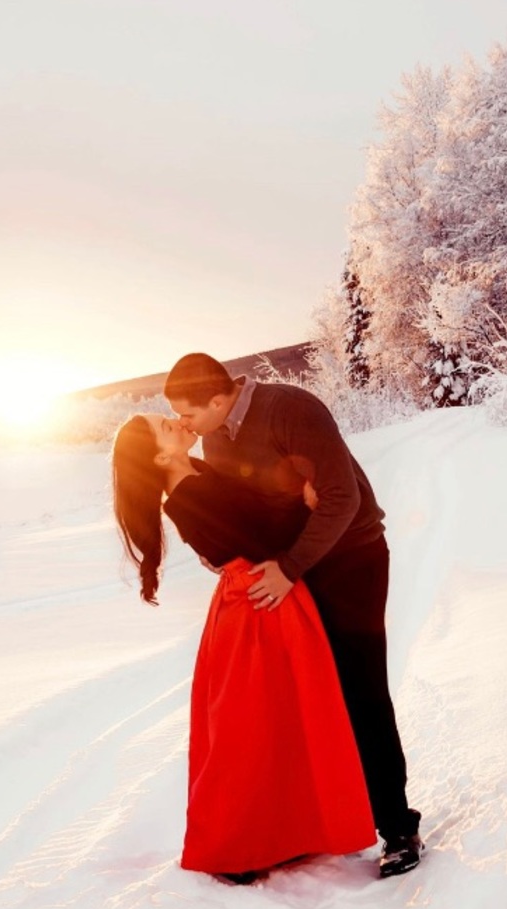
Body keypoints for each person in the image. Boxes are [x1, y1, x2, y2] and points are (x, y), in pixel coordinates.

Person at [163, 353, 423, 878]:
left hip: (351, 563)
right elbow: (257, 512)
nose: (184, 425)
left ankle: (398, 827)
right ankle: (307, 825)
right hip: (298, 573)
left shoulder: (291, 409)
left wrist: (289, 564)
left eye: (187, 414)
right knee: (303, 697)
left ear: (217, 401)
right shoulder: (215, 439)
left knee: (360, 693)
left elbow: (342, 498)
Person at [112, 413, 377, 883]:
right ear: (159, 456)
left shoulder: (198, 470)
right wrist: (312, 503)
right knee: (251, 729)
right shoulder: (186, 499)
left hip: (267, 596)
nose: (175, 421)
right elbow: (261, 538)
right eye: (164, 426)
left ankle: (291, 831)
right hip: (257, 607)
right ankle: (240, 847)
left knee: (287, 722)